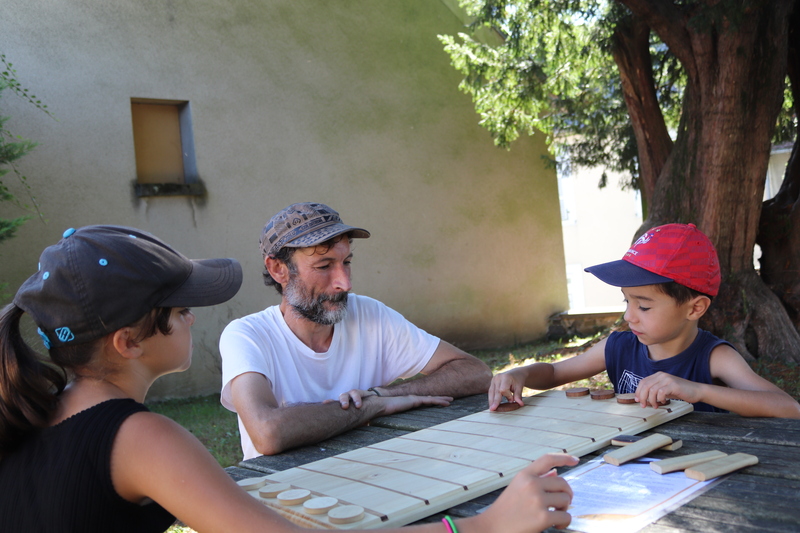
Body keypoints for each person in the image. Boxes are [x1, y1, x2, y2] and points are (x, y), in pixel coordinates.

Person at [0, 224, 578, 533]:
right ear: (128, 343)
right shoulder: (140, 438)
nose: (192, 316)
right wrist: (483, 527)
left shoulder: (41, 408)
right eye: (178, 311)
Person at [220, 202, 493, 458]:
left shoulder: (369, 315)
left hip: (370, 480)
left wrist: (385, 394)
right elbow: (267, 432)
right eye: (324, 266)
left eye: (346, 262)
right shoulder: (247, 335)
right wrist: (373, 407)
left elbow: (476, 373)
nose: (345, 283)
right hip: (283, 497)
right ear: (278, 269)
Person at [489, 223, 800, 418]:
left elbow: (788, 407)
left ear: (695, 308)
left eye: (644, 307)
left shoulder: (714, 357)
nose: (628, 315)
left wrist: (698, 391)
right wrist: (522, 373)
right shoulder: (618, 346)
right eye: (627, 301)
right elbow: (556, 371)